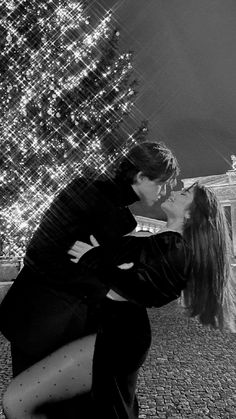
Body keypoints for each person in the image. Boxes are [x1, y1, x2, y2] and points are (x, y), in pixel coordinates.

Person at [3, 182, 236, 419]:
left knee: (19, 400)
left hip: (116, 337)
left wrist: (94, 258)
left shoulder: (174, 245)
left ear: (191, 214)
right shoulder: (161, 241)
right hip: (114, 332)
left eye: (185, 194)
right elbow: (122, 274)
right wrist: (107, 262)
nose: (175, 191)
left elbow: (136, 287)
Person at [0, 141, 179, 418]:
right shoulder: (87, 192)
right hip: (42, 321)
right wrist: (99, 274)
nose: (165, 192)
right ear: (141, 176)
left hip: (69, 328)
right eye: (162, 183)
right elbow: (41, 252)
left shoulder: (121, 218)